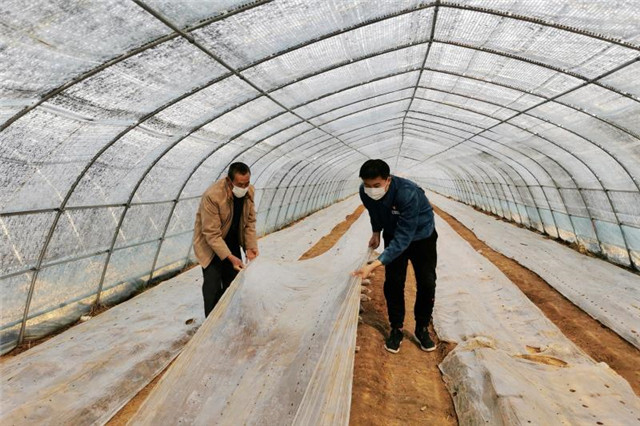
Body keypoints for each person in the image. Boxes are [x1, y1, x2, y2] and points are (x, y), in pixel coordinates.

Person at [353, 159, 438, 353]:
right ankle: (396, 328)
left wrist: (374, 264)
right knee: (393, 282)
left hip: (421, 236)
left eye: (376, 185)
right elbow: (374, 211)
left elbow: (404, 236)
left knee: (427, 282)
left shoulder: (407, 193)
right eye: (367, 185)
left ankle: (422, 328)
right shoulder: (364, 192)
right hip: (393, 232)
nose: (371, 189)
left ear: (388, 180)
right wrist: (376, 232)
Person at [193, 162, 259, 317]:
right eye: (240, 184)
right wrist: (229, 257)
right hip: (211, 245)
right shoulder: (213, 196)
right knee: (213, 286)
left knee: (233, 283)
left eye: (247, 183)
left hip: (232, 240)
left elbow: (249, 222)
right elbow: (211, 234)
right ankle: (211, 324)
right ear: (229, 181)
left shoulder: (249, 192)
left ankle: (229, 318)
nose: (244, 187)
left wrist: (250, 246)